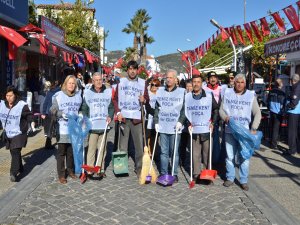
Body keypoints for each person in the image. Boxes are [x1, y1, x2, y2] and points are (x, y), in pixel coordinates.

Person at [219, 74, 261, 191]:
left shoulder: (250, 96)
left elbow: (257, 113)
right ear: (234, 82)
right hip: (229, 131)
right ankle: (230, 178)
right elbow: (221, 109)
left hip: (244, 132)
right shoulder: (227, 94)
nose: (239, 84)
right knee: (230, 156)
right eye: (237, 82)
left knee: (244, 157)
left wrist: (253, 128)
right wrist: (225, 117)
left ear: (245, 84)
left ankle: (243, 180)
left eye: (242, 82)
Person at [112, 60, 149, 178]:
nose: (132, 71)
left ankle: (139, 168)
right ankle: (121, 168)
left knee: (139, 145)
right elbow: (115, 99)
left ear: (137, 70)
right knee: (123, 145)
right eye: (130, 69)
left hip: (137, 119)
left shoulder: (143, 83)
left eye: (134, 69)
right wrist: (118, 112)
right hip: (124, 118)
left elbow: (147, 98)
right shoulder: (121, 82)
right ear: (127, 70)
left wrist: (144, 99)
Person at [154, 69, 186, 182]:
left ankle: (174, 173)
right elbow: (157, 108)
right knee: (163, 151)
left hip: (175, 126)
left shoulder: (182, 92)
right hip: (163, 125)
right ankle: (163, 172)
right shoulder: (160, 91)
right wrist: (156, 122)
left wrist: (181, 121)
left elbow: (184, 109)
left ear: (176, 79)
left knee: (174, 151)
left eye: (171, 77)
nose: (168, 79)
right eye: (167, 77)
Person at [185, 75, 219, 182]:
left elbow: (216, 109)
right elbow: (185, 112)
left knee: (207, 153)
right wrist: (188, 124)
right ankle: (196, 174)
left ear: (202, 83)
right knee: (195, 153)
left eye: (198, 82)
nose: (196, 84)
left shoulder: (208, 95)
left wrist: (213, 122)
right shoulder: (188, 96)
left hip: (206, 129)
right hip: (194, 129)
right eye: (194, 82)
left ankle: (207, 173)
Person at [81, 72, 114, 178]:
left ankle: (100, 168)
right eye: (96, 80)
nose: (98, 82)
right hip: (93, 126)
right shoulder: (88, 93)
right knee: (91, 148)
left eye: (100, 79)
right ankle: (90, 170)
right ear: (93, 81)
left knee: (102, 149)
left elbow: (111, 107)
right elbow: (84, 108)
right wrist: (86, 119)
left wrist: (110, 116)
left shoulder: (107, 92)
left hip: (104, 125)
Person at [50, 75, 82, 184]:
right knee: (61, 153)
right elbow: (52, 109)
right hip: (62, 128)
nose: (72, 85)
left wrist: (81, 115)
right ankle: (61, 175)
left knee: (71, 152)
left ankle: (70, 170)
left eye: (73, 83)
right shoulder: (58, 95)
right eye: (70, 83)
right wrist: (60, 114)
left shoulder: (78, 96)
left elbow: (81, 109)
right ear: (65, 84)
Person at [0, 86, 33, 182]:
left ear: (15, 95)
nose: (8, 97)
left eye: (11, 95)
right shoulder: (2, 104)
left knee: (15, 150)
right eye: (7, 95)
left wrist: (32, 121)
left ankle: (13, 173)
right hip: (8, 132)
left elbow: (29, 115)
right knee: (13, 151)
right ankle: (20, 167)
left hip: (19, 132)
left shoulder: (21, 105)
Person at [203, 71, 222, 165]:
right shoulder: (204, 89)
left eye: (215, 77)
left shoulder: (222, 89)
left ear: (217, 79)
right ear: (208, 79)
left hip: (218, 118)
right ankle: (206, 159)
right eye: (211, 78)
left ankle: (216, 160)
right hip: (207, 118)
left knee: (215, 140)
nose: (213, 79)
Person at [266, 78, 286, 150]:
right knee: (276, 129)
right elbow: (283, 104)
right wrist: (283, 111)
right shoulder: (282, 93)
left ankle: (270, 140)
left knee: (271, 126)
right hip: (278, 112)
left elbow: (267, 101)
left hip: (271, 111)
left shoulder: (271, 91)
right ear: (280, 85)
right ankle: (273, 145)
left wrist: (269, 108)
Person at [41, 80, 61, 149]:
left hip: (49, 113)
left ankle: (48, 144)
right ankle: (60, 143)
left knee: (50, 128)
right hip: (57, 112)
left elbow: (45, 103)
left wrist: (43, 112)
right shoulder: (60, 92)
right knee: (58, 128)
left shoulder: (49, 92)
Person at [145, 78, 161, 166]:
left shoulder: (160, 94)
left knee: (155, 137)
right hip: (149, 117)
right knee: (147, 136)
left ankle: (154, 152)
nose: (154, 87)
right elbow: (147, 105)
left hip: (156, 118)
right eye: (153, 85)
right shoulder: (148, 94)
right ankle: (147, 153)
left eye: (156, 85)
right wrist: (154, 112)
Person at [284, 74, 300, 156]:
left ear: (292, 80)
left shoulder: (296, 87)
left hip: (294, 112)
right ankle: (297, 149)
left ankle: (292, 150)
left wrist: (287, 107)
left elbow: (294, 102)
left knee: (291, 132)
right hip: (297, 112)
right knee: (296, 131)